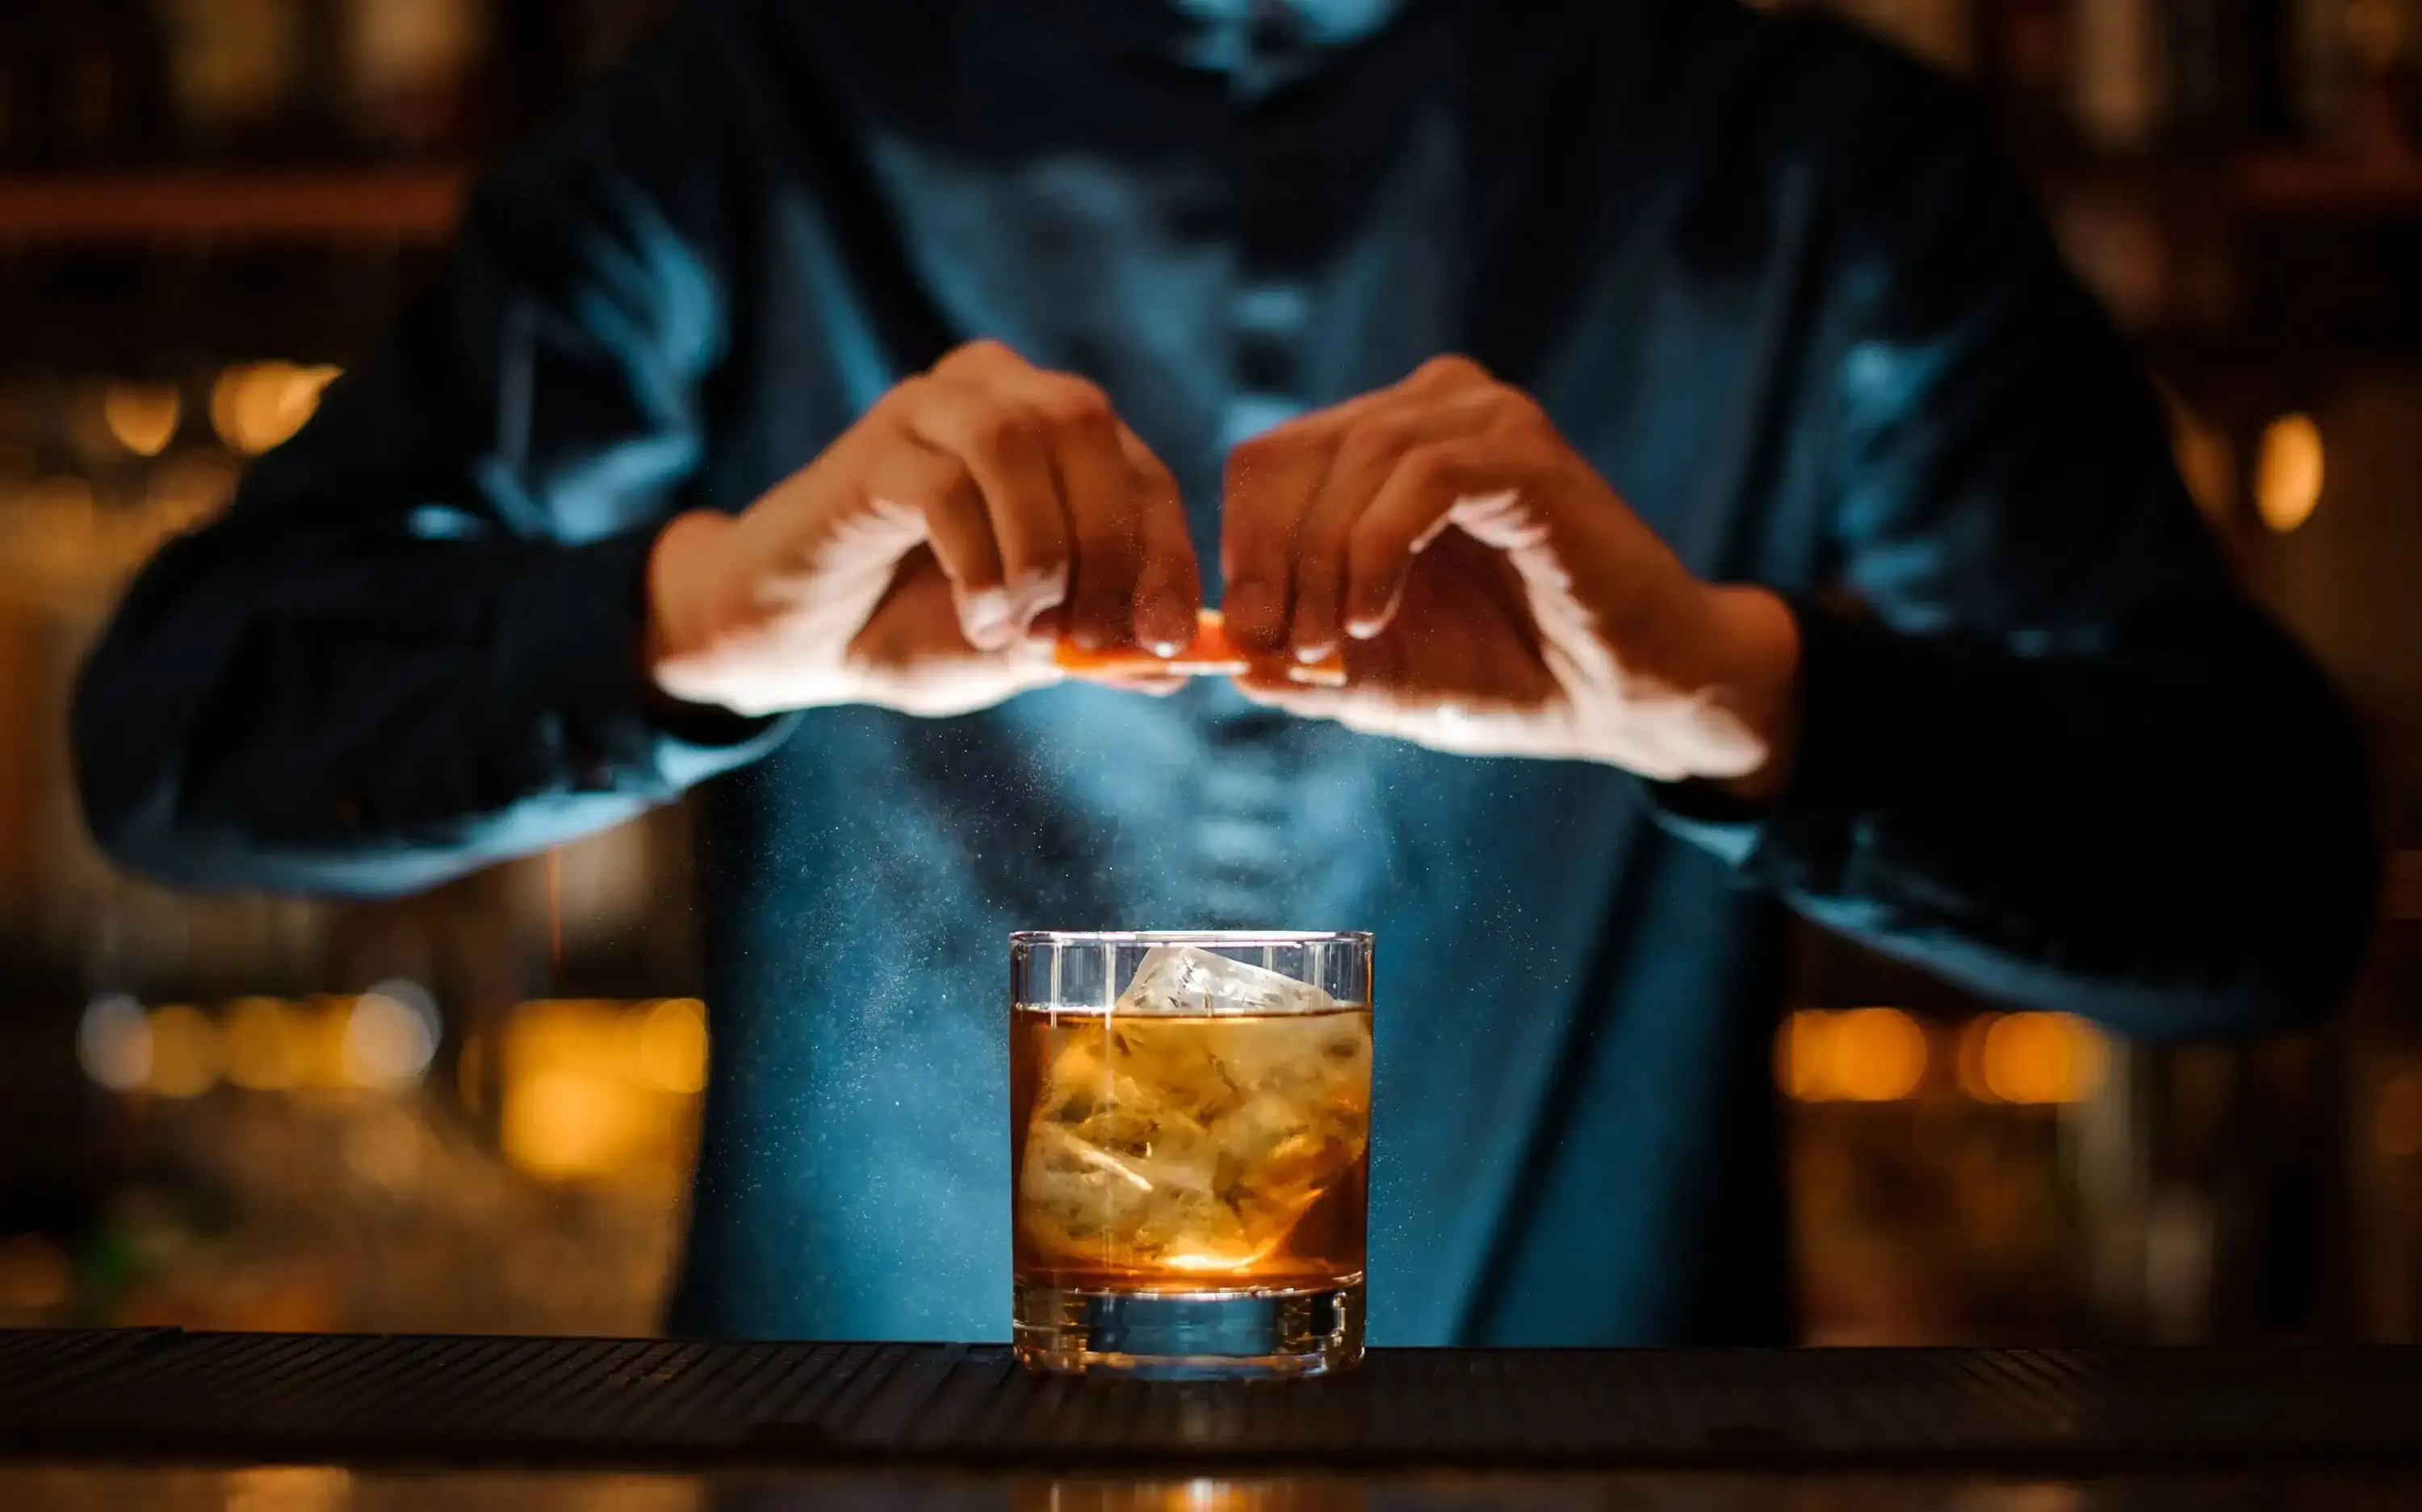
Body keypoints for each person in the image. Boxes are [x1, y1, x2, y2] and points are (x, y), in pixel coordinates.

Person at [72, 0, 2374, 1345]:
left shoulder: (1818, 166)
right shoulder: (738, 135)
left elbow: (2268, 884)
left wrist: (1728, 697)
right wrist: (696, 627)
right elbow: (182, 739)